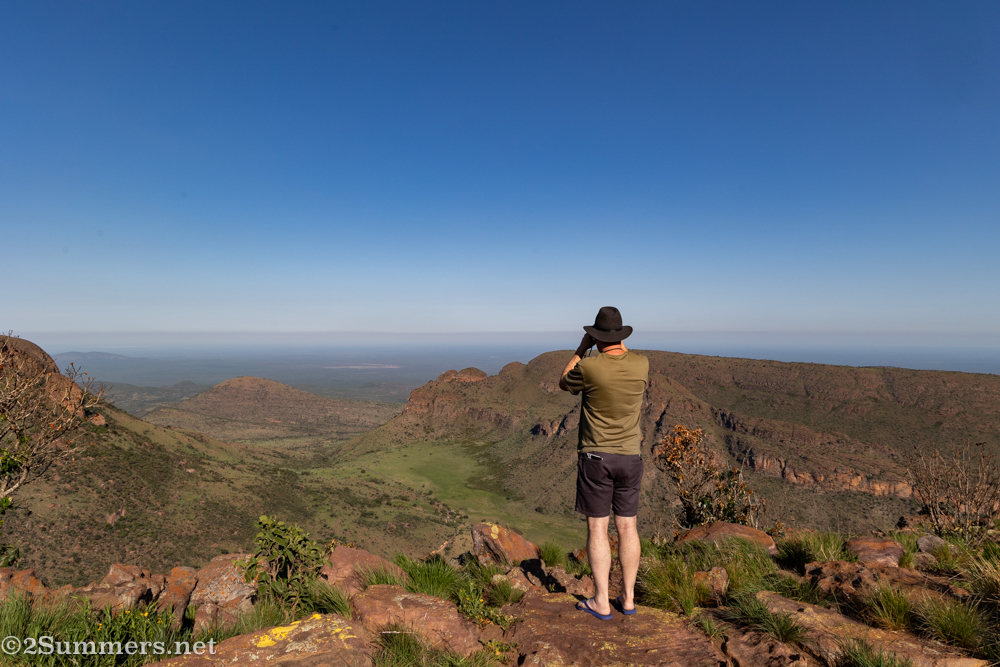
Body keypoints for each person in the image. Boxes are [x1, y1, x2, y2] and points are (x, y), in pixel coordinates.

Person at [559, 306, 648, 620]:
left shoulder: (590, 366)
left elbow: (563, 381)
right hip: (631, 457)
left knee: (598, 530)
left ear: (596, 337)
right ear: (621, 334)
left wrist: (582, 348)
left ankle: (600, 601)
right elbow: (624, 357)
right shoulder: (641, 364)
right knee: (628, 528)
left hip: (596, 458)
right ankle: (628, 598)